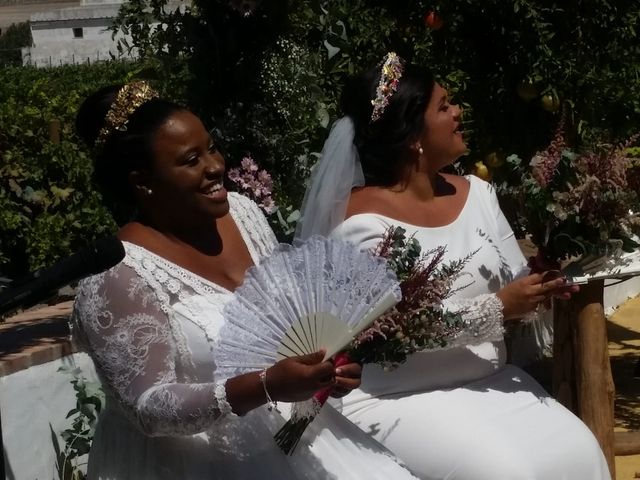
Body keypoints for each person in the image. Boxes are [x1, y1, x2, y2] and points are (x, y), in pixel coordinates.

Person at [71, 81, 418, 480]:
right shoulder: (117, 275)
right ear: (142, 182)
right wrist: (264, 386)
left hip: (292, 436)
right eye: (190, 160)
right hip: (189, 464)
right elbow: (148, 407)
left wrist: (326, 372)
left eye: (212, 147)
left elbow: (282, 327)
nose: (215, 166)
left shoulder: (243, 213)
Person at [296, 53, 611, 479]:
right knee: (507, 472)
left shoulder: (479, 193)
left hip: (490, 381)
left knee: (580, 450)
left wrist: (541, 289)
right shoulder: (359, 224)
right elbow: (382, 333)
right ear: (413, 135)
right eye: (444, 106)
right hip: (398, 397)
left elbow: (515, 284)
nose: (459, 111)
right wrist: (499, 307)